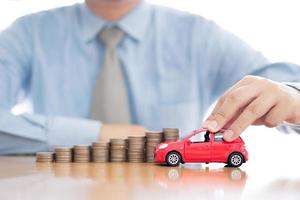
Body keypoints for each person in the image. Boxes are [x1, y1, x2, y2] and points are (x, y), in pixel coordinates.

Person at [0, 0, 300, 154]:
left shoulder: (197, 35)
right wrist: (97, 135)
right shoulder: (27, 34)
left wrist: (292, 98)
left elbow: (280, 82)